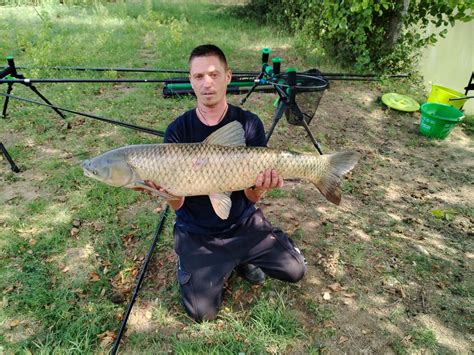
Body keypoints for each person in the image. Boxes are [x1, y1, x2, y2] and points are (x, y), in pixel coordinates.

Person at [143, 44, 306, 322]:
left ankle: (246, 253)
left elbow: (252, 197)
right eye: (198, 77)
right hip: (198, 232)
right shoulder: (178, 130)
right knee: (201, 312)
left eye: (214, 74)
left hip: (243, 223)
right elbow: (178, 203)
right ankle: (194, 259)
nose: (207, 83)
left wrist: (260, 187)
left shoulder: (248, 123)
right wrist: (166, 193)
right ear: (190, 80)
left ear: (228, 76)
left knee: (295, 270)